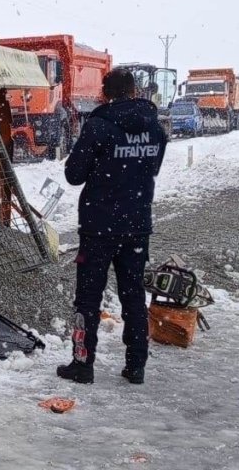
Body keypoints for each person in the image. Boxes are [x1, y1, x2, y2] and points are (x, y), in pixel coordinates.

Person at [57, 68, 168, 385]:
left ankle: (82, 363)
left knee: (87, 299)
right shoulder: (154, 128)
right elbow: (152, 168)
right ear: (134, 91)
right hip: (136, 224)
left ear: (105, 93)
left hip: (99, 226)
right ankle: (136, 365)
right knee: (133, 295)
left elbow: (74, 175)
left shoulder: (99, 126)